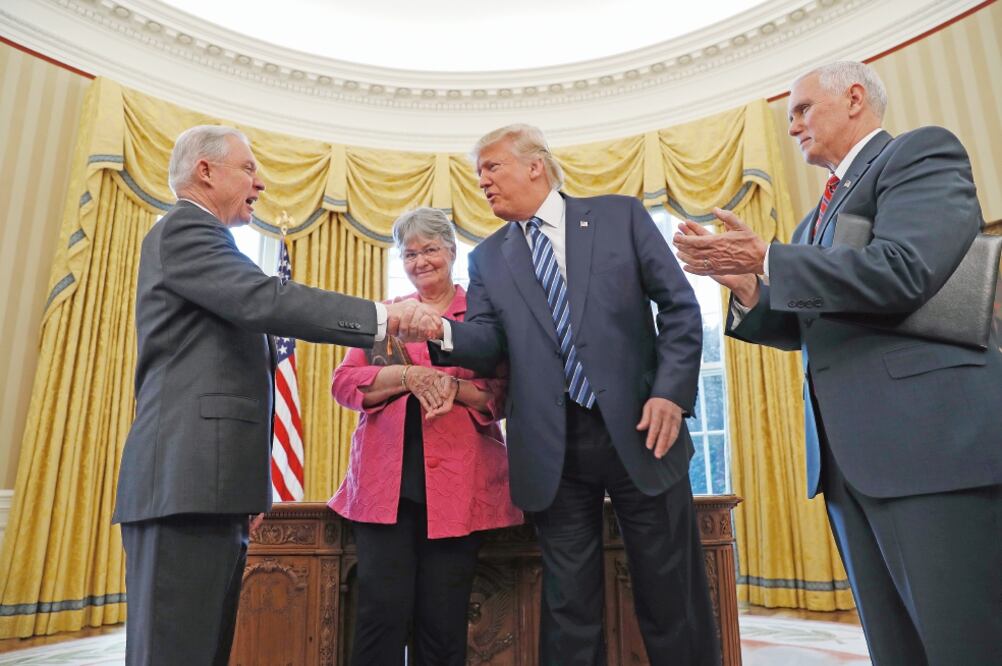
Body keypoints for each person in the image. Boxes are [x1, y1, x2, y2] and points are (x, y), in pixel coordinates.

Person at [673, 61, 1002, 665]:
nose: (793, 125)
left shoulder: (919, 154)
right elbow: (806, 327)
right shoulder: (813, 220)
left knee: (964, 642)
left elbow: (905, 270)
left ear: (854, 98)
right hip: (850, 464)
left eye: (802, 109)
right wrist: (747, 285)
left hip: (931, 451)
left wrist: (769, 259)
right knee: (896, 646)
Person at [111, 125, 441, 665]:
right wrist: (383, 318)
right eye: (248, 169)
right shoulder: (184, 230)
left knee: (202, 650)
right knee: (176, 652)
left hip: (211, 491)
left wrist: (246, 492)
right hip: (184, 485)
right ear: (205, 171)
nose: (259, 183)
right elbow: (268, 300)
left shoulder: (207, 241)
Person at [425, 124, 720, 665]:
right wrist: (440, 331)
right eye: (478, 173)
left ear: (535, 165)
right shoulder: (487, 258)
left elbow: (679, 307)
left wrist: (671, 393)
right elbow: (488, 345)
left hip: (643, 429)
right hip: (552, 449)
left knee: (669, 592)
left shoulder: (619, 216)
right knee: (569, 606)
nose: (482, 181)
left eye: (491, 167)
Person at [328, 207, 522, 665]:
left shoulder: (482, 315)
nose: (420, 261)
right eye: (409, 254)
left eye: (429, 249)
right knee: (380, 615)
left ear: (452, 252)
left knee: (443, 621)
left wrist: (453, 388)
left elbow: (506, 394)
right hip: (384, 489)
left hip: (460, 488)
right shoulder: (387, 316)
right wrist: (407, 376)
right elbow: (344, 384)